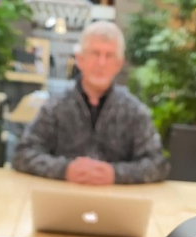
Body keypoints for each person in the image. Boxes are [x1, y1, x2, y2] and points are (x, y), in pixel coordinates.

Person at [11, 21, 170, 185]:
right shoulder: (55, 107)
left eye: (109, 56)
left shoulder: (135, 111)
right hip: (63, 199)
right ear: (80, 59)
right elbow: (22, 154)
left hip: (117, 203)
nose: (101, 63)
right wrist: (65, 170)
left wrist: (115, 174)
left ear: (119, 64)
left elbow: (158, 164)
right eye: (95, 53)